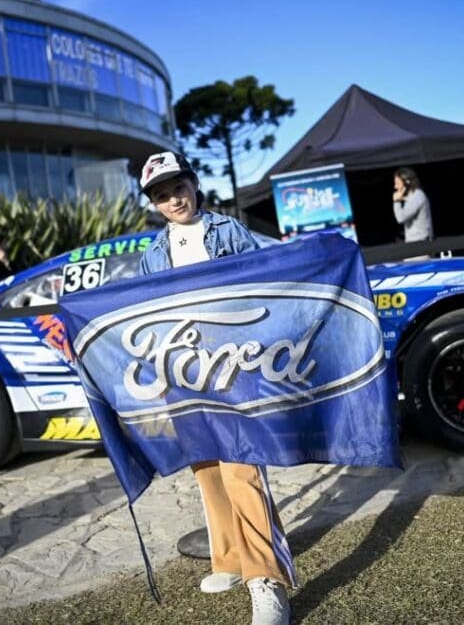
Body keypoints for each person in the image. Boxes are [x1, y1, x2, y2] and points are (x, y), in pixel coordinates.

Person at [137, 150, 294, 625]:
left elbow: (264, 285)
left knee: (242, 468)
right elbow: (144, 314)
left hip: (234, 367)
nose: (173, 199)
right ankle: (230, 558)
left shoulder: (228, 232)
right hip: (184, 374)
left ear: (193, 185)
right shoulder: (152, 255)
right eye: (162, 195)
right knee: (207, 469)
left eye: (178, 187)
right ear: (154, 204)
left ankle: (266, 581)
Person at [392, 167, 433, 244]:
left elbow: (401, 218)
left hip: (420, 242)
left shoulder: (416, 196)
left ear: (407, 182)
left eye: (397, 183)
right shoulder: (413, 196)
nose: (395, 186)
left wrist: (396, 201)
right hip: (416, 242)